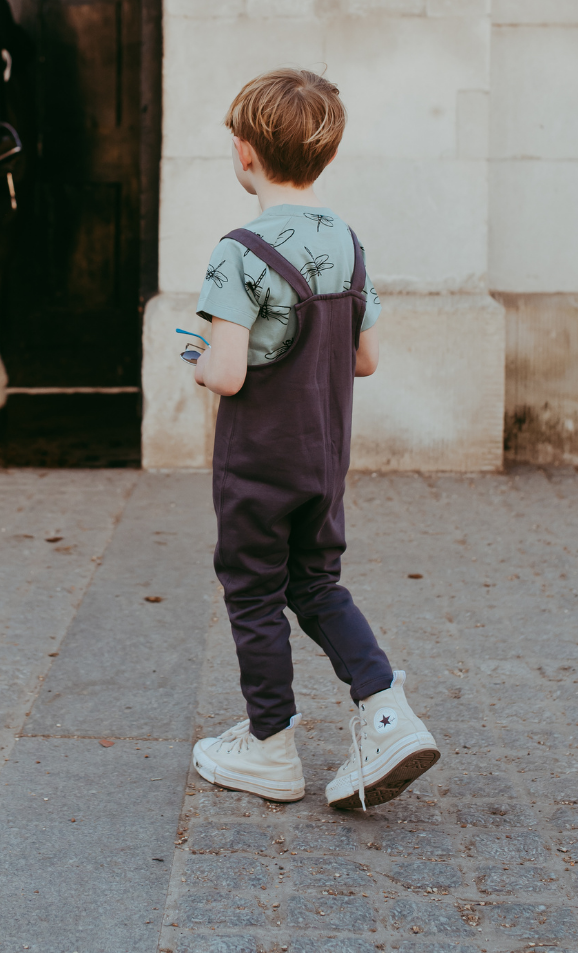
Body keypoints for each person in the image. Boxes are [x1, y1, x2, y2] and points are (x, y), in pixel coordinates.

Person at [189, 69, 439, 810]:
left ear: (243, 154)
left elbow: (229, 373)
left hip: (258, 459)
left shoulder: (237, 250)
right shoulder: (348, 243)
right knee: (318, 585)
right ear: (325, 156)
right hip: (325, 457)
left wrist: (199, 358)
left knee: (254, 592)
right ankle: (387, 713)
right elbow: (365, 359)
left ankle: (269, 747)